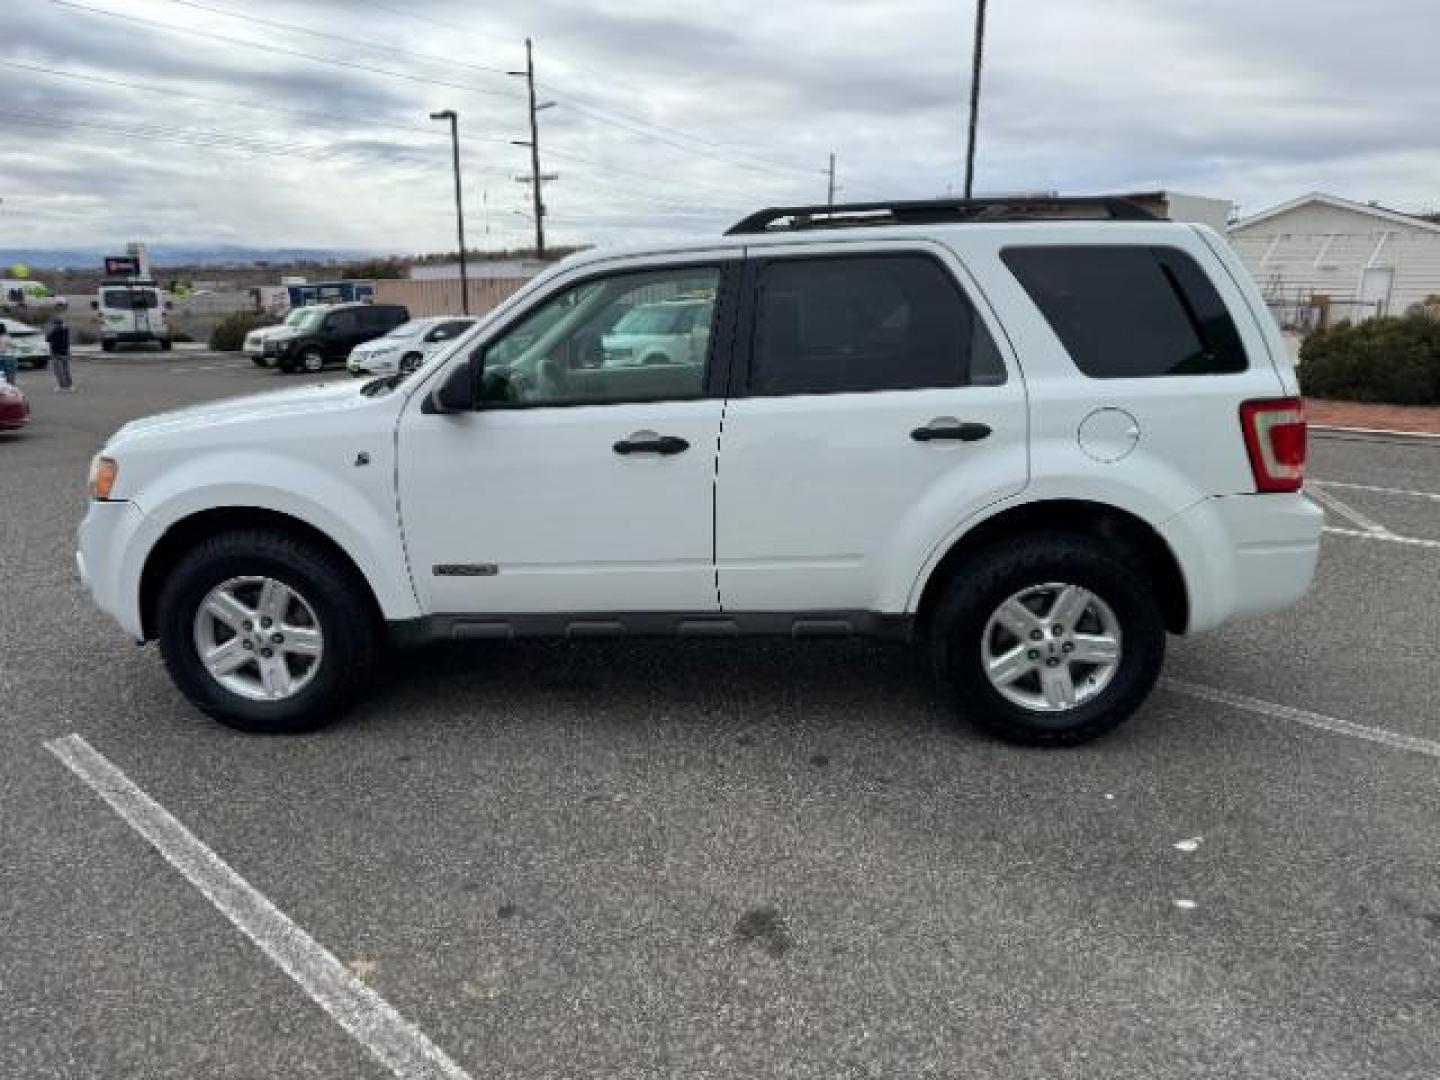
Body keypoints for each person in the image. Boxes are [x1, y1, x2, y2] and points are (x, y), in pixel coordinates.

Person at [46, 316, 74, 392]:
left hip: (56, 352)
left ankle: (62, 385)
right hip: (64, 352)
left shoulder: (54, 331)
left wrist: (50, 331)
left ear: (55, 324)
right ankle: (69, 385)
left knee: (58, 370)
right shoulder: (65, 330)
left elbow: (48, 339)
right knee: (65, 369)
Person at [0, 322, 16, 386]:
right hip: (8, 357)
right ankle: (10, 390)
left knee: (1, 376)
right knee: (10, 376)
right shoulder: (6, 337)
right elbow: (14, 345)